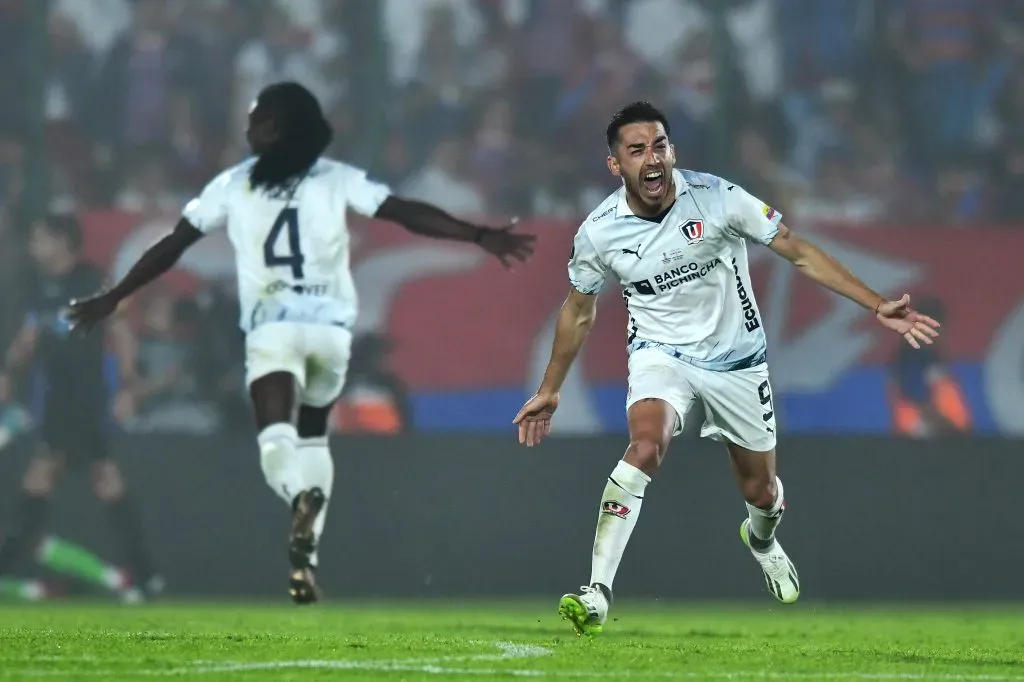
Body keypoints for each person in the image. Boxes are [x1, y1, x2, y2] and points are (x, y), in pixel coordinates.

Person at [67, 81, 536, 604]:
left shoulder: (233, 184)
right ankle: (305, 556)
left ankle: (297, 501)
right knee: (313, 438)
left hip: (273, 329)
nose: (250, 129)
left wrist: (117, 295)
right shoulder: (335, 179)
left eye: (257, 120)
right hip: (329, 329)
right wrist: (477, 235)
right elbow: (405, 211)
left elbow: (172, 245)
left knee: (275, 446)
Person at [512, 101, 940, 637]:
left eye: (660, 145)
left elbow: (797, 251)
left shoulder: (717, 198)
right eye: (637, 149)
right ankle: (596, 592)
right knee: (645, 446)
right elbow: (579, 309)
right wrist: (550, 388)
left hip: (738, 362)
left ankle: (761, 539)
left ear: (672, 151)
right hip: (660, 356)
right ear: (615, 164)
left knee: (761, 493)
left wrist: (876, 304)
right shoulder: (599, 232)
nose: (653, 158)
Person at [1, 215, 163, 601]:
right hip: (54, 397)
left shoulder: (90, 280)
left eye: (41, 239)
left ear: (62, 241)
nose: (34, 247)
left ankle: (144, 573)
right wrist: (9, 368)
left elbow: (120, 329)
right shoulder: (38, 286)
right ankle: (145, 574)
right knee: (61, 475)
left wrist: (127, 384)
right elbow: (30, 333)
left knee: (85, 477)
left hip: (85, 396)